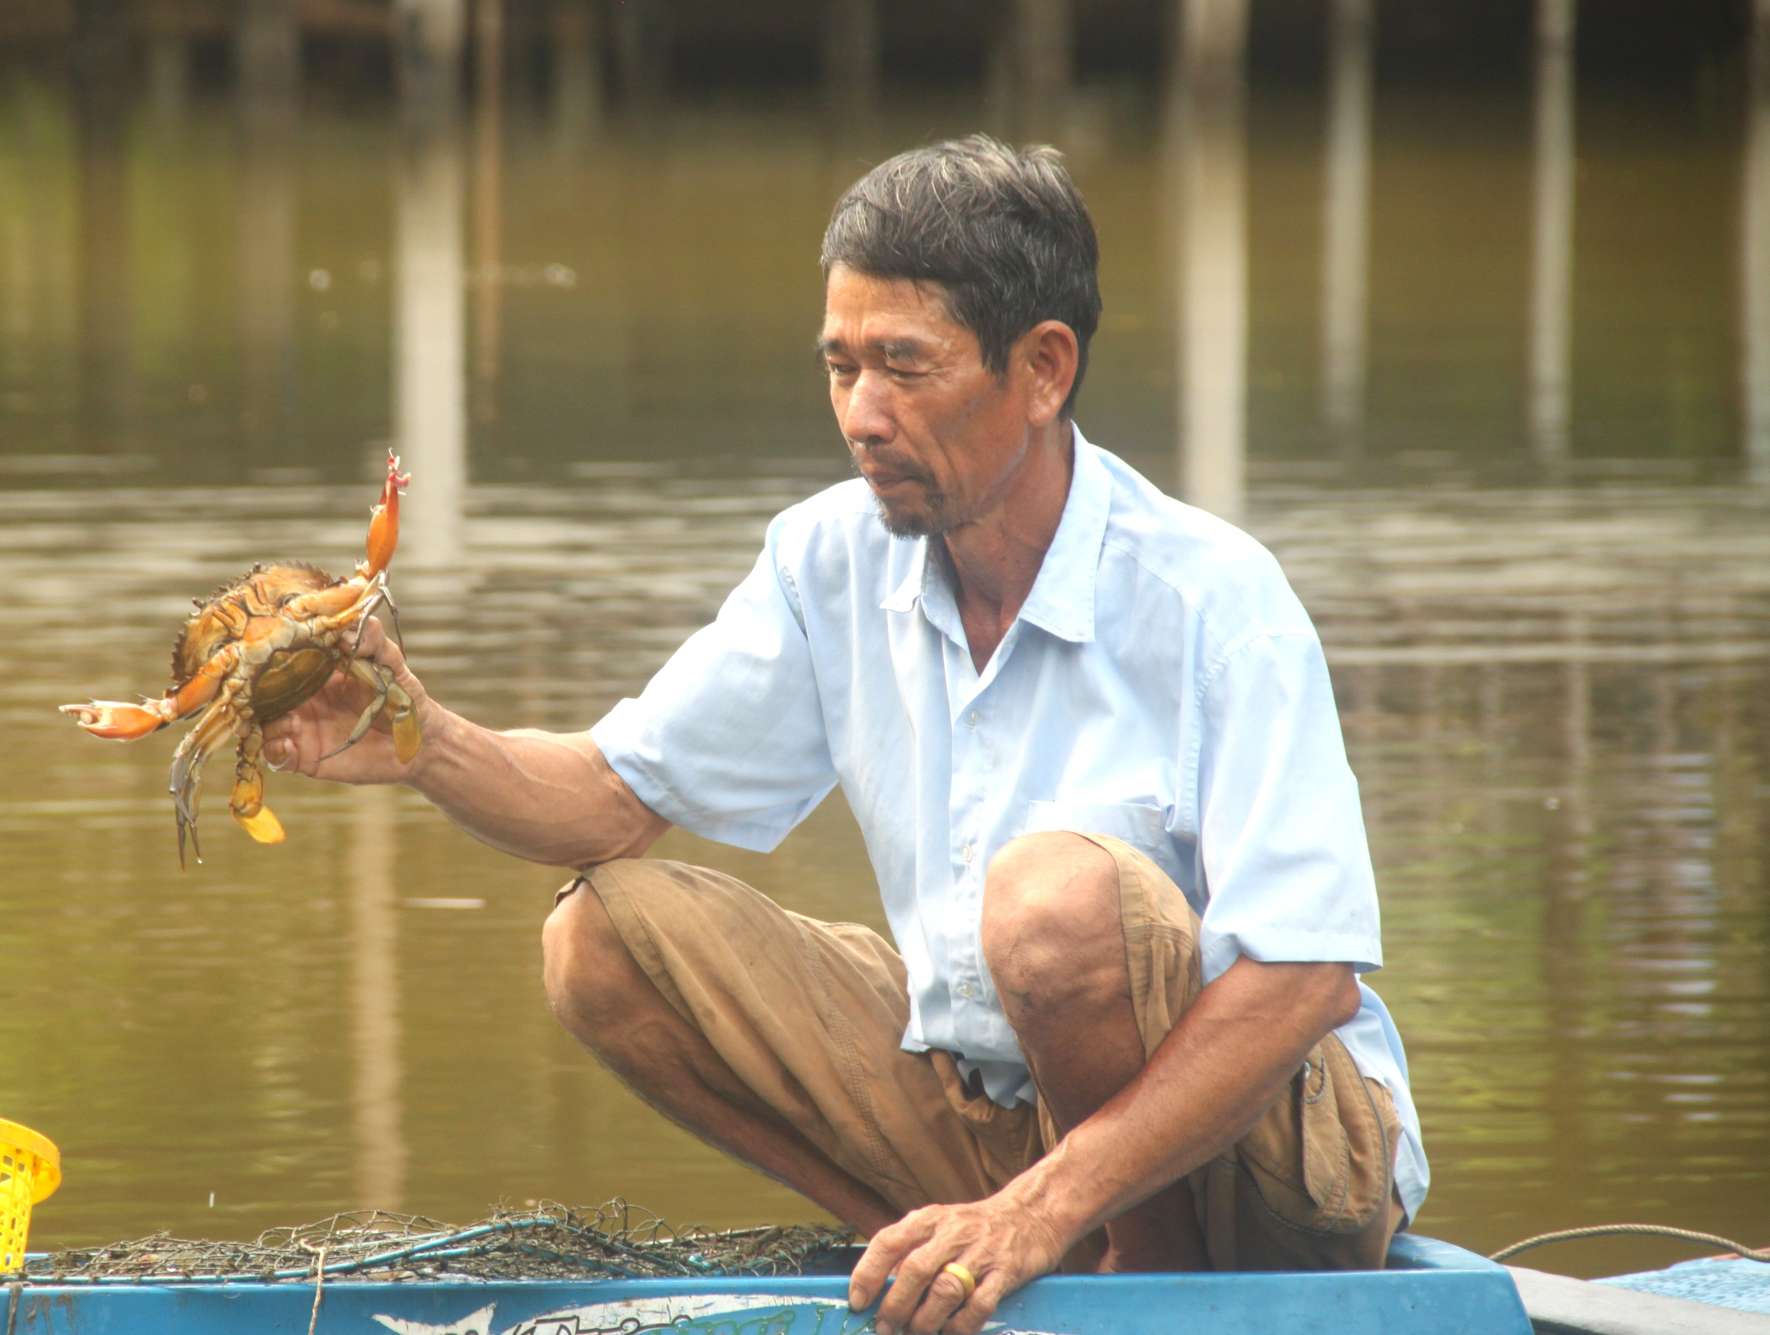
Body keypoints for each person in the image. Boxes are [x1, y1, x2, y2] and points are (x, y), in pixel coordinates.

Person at [264, 134, 1427, 1335]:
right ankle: (925, 1248)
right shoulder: (829, 559)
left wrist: (1037, 1211)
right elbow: (610, 798)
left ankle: (1141, 1281)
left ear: (1041, 370)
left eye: (904, 369)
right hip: (995, 1122)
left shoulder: (1212, 597)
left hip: (1276, 1158)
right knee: (601, 940)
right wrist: (420, 740)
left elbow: (1304, 980)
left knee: (1051, 903)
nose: (861, 416)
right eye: (840, 368)